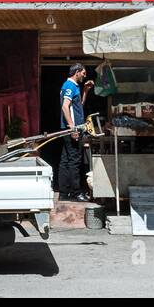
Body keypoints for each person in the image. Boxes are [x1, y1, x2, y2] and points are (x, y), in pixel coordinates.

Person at [58, 62, 93, 202]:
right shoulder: (69, 86)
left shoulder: (75, 87)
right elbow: (65, 107)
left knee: (66, 160)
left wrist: (85, 91)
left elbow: (78, 107)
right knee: (74, 161)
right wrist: (72, 128)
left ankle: (64, 192)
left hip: (71, 128)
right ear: (77, 72)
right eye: (83, 73)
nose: (84, 76)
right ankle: (75, 193)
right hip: (72, 129)